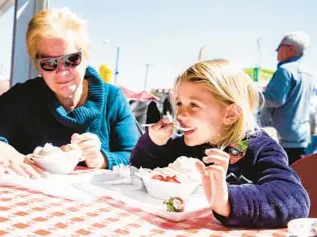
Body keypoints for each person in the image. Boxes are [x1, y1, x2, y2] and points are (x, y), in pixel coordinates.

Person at [130, 59, 309, 228]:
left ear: (230, 114)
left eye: (193, 105)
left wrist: (228, 201)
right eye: (179, 103)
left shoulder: (260, 148)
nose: (180, 115)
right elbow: (142, 171)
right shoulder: (188, 146)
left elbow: (295, 199)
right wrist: (153, 144)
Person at [0, 8, 139, 178]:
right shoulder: (23, 97)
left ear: (85, 56)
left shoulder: (113, 99)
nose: (61, 72)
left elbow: (137, 158)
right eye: (49, 63)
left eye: (71, 59)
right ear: (37, 65)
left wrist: (100, 159)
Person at [262, 31, 315, 164]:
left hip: (282, 137)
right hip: (300, 137)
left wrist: (253, 95)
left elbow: (275, 100)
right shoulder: (309, 74)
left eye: (279, 47)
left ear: (291, 48)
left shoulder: (285, 70)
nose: (277, 51)